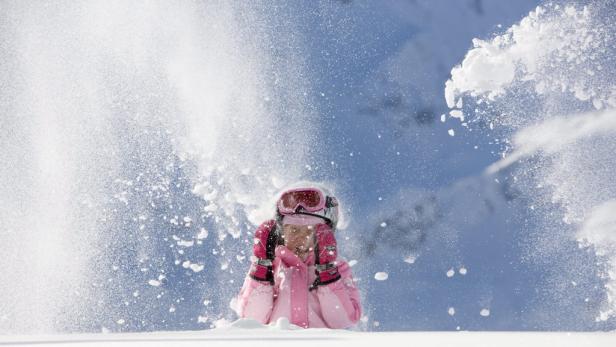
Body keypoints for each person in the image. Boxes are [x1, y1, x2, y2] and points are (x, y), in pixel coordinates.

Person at [233, 186, 362, 329]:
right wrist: (262, 267)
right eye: (294, 230)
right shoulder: (272, 267)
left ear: (325, 234)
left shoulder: (338, 269)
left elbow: (343, 321)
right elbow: (252, 318)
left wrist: (327, 272)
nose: (301, 238)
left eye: (309, 231)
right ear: (281, 232)